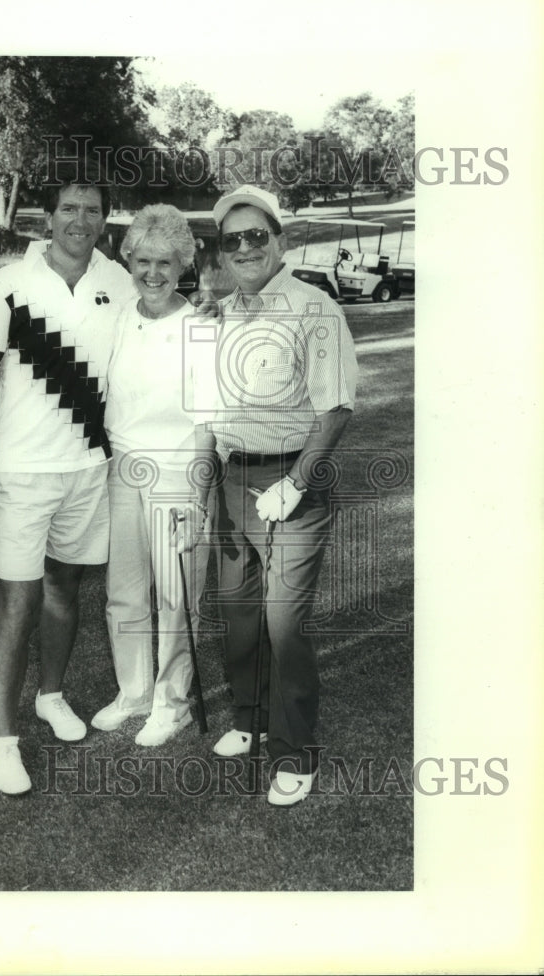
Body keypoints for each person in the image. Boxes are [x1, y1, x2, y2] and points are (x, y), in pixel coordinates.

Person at [0, 161, 136, 795]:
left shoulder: (121, 281)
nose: (79, 220)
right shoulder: (9, 284)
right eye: (69, 209)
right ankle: (4, 743)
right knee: (18, 602)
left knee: (65, 592)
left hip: (89, 467)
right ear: (47, 217)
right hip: (22, 474)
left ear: (104, 217)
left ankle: (51, 697)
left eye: (91, 209)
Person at [208, 185, 358, 807]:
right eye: (232, 239)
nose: (245, 247)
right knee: (239, 614)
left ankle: (294, 750)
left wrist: (296, 483)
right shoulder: (222, 310)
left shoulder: (315, 309)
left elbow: (338, 408)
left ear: (280, 242)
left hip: (294, 479)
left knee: (282, 621)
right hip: (232, 477)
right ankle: (249, 717)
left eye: (256, 236)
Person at [91, 205, 215, 746]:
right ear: (129, 261)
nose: (153, 274)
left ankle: (172, 702)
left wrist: (199, 497)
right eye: (143, 261)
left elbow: (211, 421)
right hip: (122, 466)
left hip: (178, 470)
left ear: (184, 264)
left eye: (165, 262)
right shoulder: (120, 315)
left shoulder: (202, 327)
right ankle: (135, 692)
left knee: (175, 594)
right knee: (124, 592)